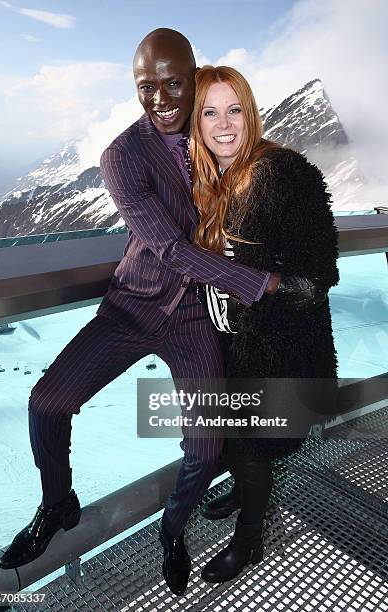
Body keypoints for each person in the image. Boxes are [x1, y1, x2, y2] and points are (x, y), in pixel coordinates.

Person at [0, 30, 299, 597]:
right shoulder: (121, 154)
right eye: (145, 87)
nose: (160, 98)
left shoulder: (216, 130)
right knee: (47, 402)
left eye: (172, 84)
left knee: (207, 445)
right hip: (132, 307)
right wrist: (261, 283)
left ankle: (172, 527)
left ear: (193, 77)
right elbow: (168, 248)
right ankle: (57, 503)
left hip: (193, 316)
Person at [190, 65, 339, 583]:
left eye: (234, 109)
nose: (223, 124)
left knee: (248, 440)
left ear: (250, 113)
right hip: (232, 341)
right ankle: (245, 483)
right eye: (209, 112)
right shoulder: (213, 178)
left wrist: (255, 285)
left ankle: (250, 541)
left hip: (281, 346)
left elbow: (317, 278)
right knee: (231, 437)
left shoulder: (285, 172)